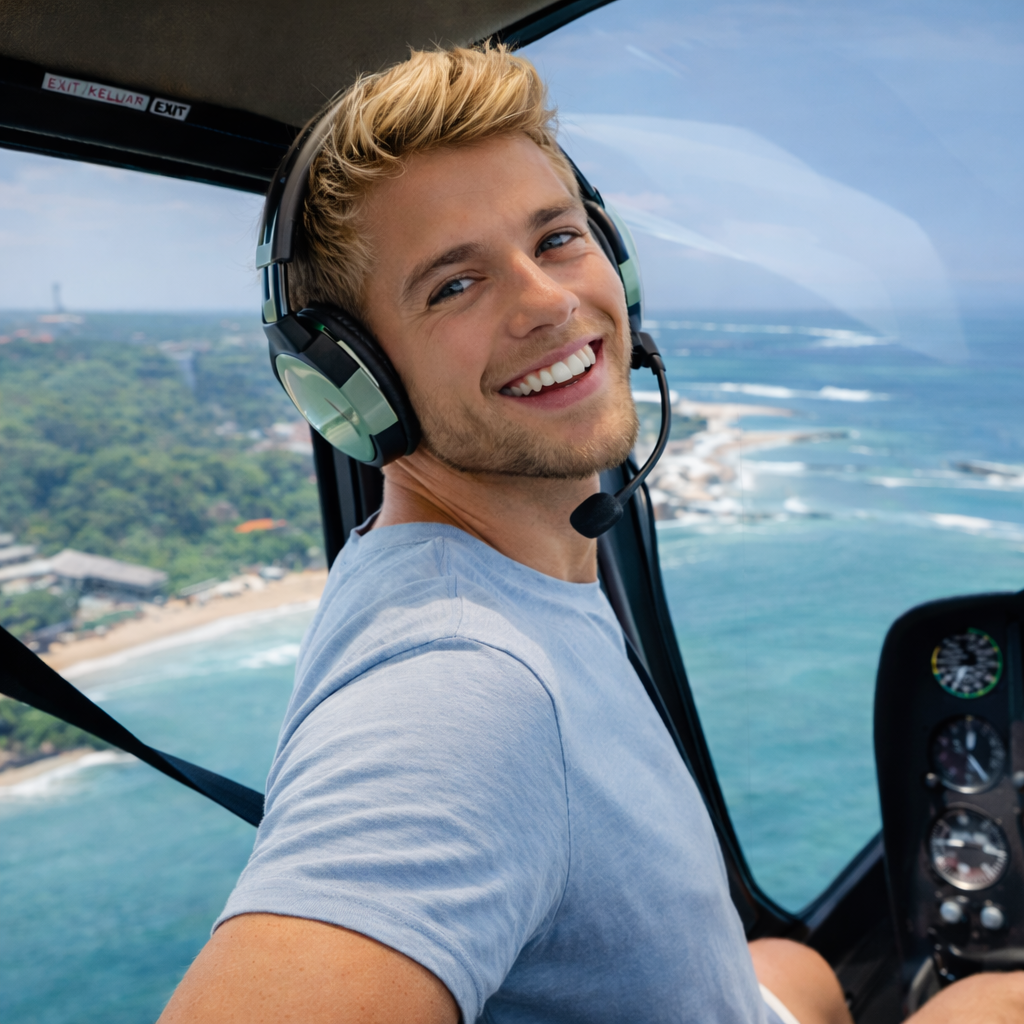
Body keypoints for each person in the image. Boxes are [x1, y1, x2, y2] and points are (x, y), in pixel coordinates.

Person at [159, 45, 1023, 1024]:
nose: (548, 301)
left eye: (558, 238)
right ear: (351, 387)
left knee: (797, 967)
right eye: (454, 284)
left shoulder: (466, 570)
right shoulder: (465, 691)